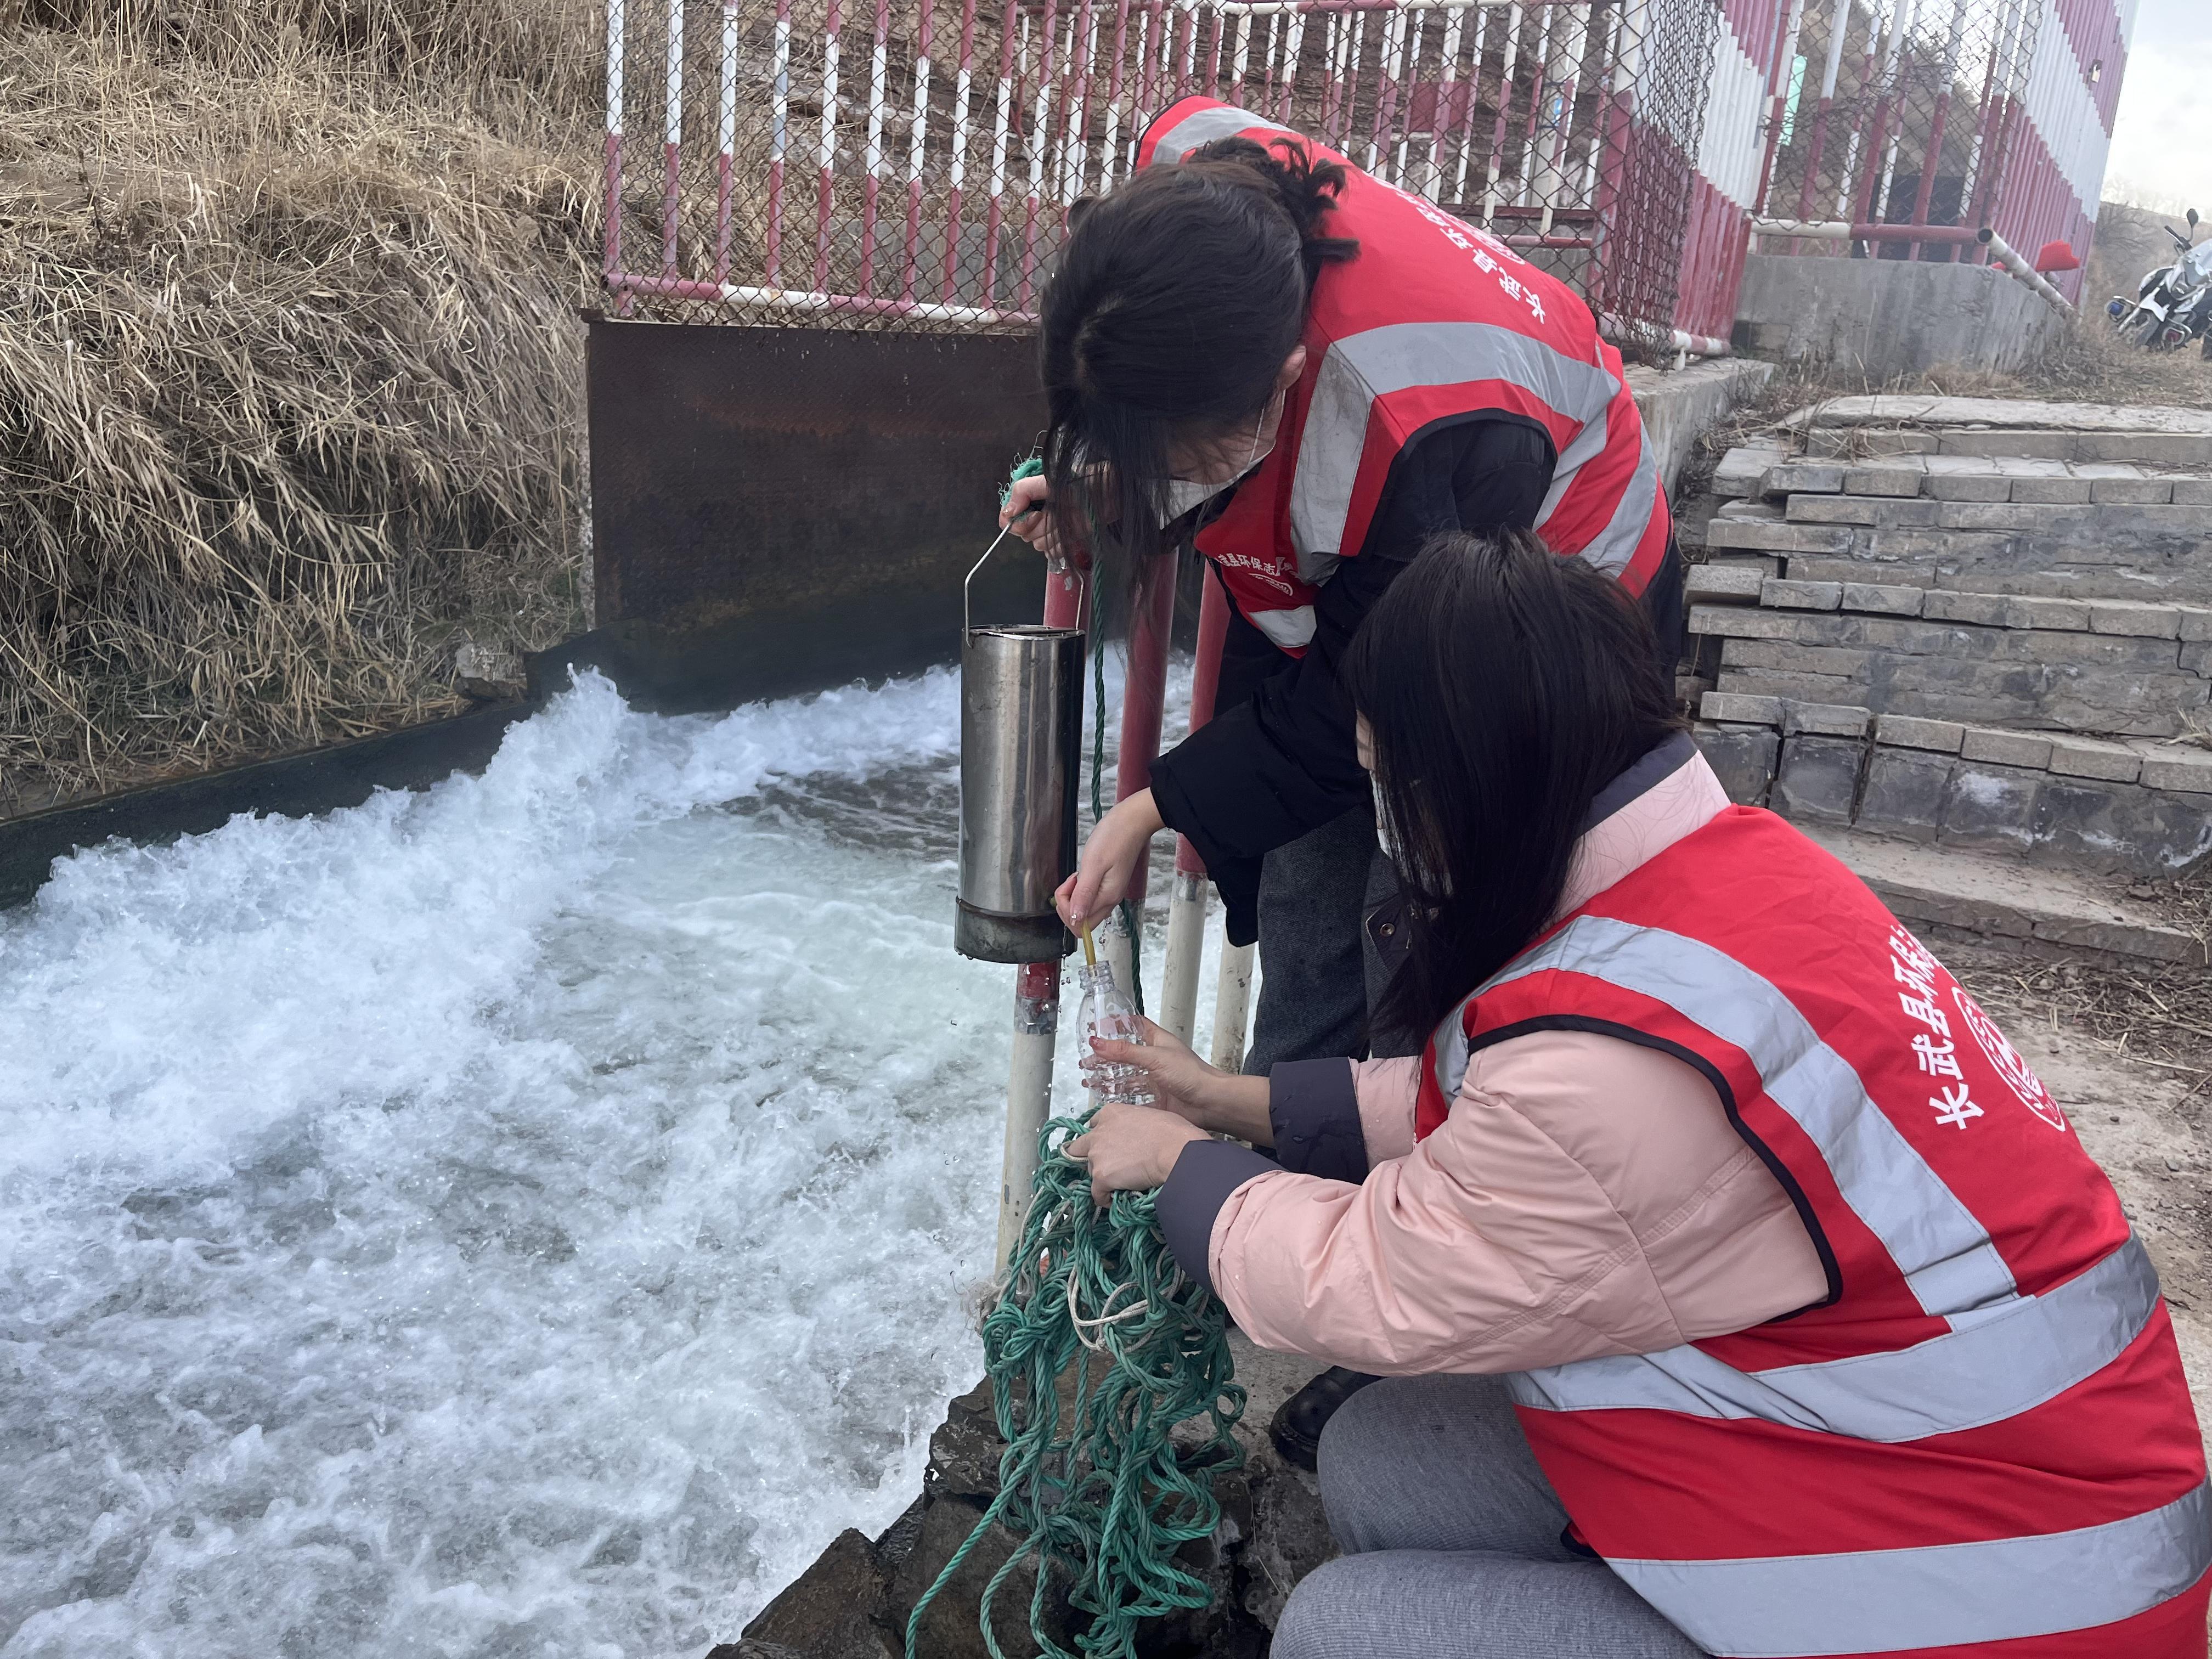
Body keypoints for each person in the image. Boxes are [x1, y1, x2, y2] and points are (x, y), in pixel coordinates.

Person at [1068, 528, 2212, 1659]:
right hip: (1926, 1462)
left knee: (1344, 1632)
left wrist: (1179, 1165)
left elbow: (1385, 1282)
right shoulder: (1730, 868)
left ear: (1457, 777)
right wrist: (1224, 1101)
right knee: (1383, 1458)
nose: (1381, 813)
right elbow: (1492, 1119)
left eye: (1379, 772)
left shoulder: (1606, 1066)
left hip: (2009, 1598)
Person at [1001, 94, 1681, 1457]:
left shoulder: (1426, 413)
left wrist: (1157, 802)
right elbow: (1163, 438)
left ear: (1285, 382)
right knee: (1313, 903)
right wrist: (1092, 482)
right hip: (1359, 601)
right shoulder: (1180, 207)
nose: (1174, 486)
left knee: (1434, 948)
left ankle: (1386, 1287)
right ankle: (1258, 1197)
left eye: (1183, 464)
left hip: (1542, 614)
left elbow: (1359, 700)